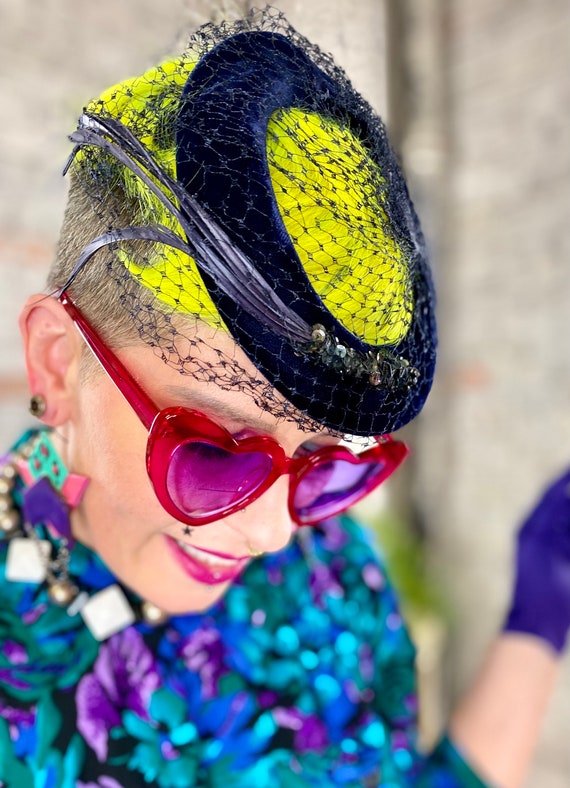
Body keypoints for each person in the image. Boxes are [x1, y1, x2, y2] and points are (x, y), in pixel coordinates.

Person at [0, 8, 567, 787]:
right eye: (214, 450)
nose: (273, 532)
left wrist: (536, 624)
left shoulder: (334, 569)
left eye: (326, 462)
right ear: (58, 364)